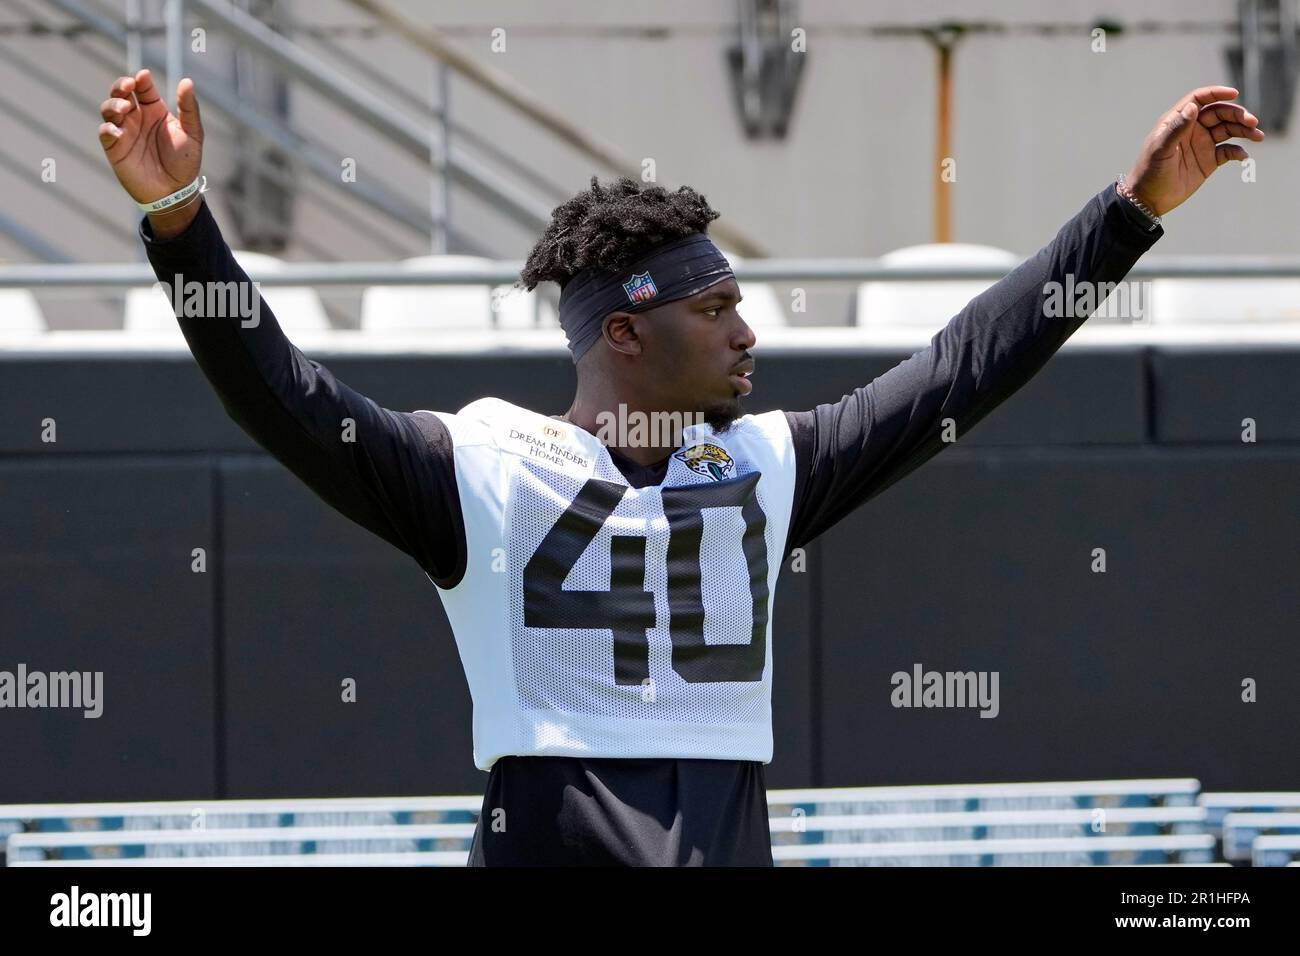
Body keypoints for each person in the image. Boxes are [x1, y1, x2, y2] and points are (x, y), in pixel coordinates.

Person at [97, 69, 1262, 866]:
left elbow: (963, 368)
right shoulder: (485, 465)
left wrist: (1129, 212)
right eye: (715, 309)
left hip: (723, 826)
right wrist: (183, 219)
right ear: (623, 331)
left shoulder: (770, 460)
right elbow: (286, 399)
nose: (747, 333)